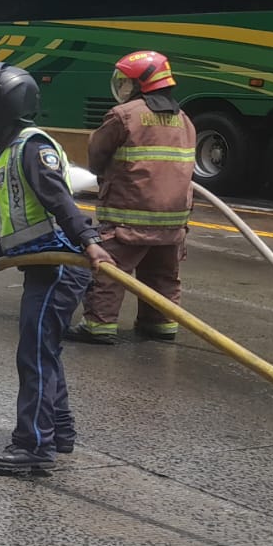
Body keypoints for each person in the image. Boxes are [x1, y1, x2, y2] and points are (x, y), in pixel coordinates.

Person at [0, 62, 114, 473]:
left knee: (35, 356)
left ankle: (33, 446)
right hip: (42, 262)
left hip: (59, 265)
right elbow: (20, 227)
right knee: (44, 352)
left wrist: (91, 243)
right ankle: (58, 432)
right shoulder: (8, 150)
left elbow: (60, 203)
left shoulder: (31, 147)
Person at [68, 51, 196, 345]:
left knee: (110, 271)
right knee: (162, 275)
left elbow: (97, 157)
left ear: (140, 83)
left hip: (128, 215)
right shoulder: (185, 120)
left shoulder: (124, 116)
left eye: (127, 81)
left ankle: (98, 326)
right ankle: (160, 324)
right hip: (173, 220)